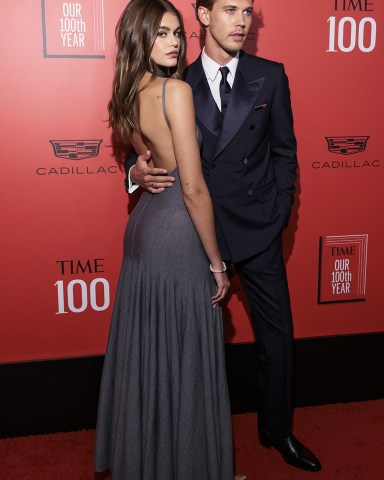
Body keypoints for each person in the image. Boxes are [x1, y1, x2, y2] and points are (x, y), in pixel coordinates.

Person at [128, 0, 321, 473]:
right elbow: (152, 153)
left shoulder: (270, 75)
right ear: (204, 15)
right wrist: (133, 174)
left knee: (277, 339)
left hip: (257, 231)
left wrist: (277, 215)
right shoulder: (176, 81)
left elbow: (284, 152)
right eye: (230, 9)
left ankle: (277, 430)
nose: (241, 20)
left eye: (248, 11)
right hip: (196, 233)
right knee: (194, 344)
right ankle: (192, 443)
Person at [94, 1, 235, 478]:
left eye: (178, 33)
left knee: (151, 348)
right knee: (186, 348)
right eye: (162, 34)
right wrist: (217, 262)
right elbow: (192, 187)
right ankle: (187, 463)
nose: (175, 43)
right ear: (141, 38)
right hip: (176, 230)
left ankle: (151, 460)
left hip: (144, 230)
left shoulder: (127, 92)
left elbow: (145, 166)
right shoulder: (174, 90)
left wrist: (133, 173)